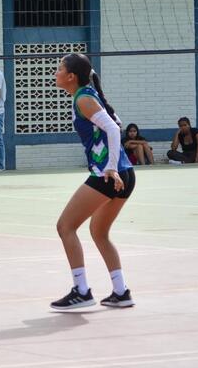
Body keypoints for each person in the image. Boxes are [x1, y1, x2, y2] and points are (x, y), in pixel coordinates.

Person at [51, 53, 135, 310]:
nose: (55, 73)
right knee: (99, 233)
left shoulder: (84, 99)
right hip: (126, 173)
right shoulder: (89, 95)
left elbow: (112, 128)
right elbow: (116, 121)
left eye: (59, 69)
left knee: (65, 227)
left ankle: (82, 291)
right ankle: (121, 292)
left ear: (71, 76)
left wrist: (109, 167)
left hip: (107, 175)